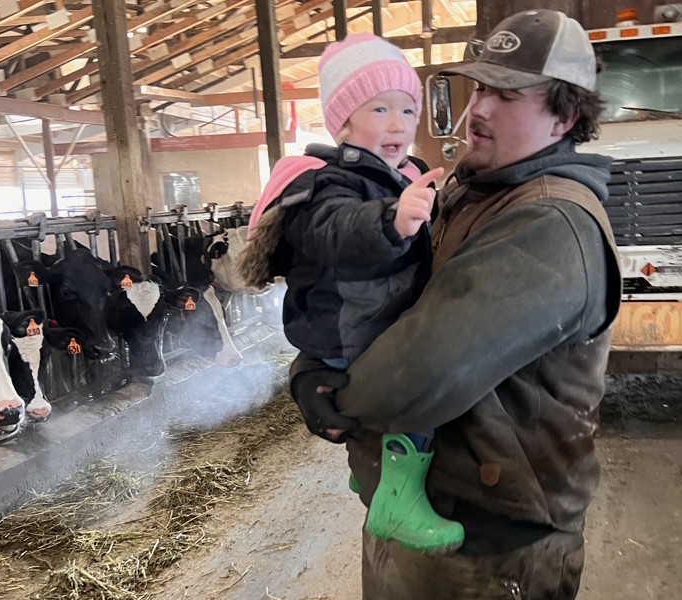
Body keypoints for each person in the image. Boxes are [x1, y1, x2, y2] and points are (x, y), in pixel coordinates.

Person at [290, 9, 623, 599]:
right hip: (434, 513)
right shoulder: (475, 189)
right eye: (481, 87)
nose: (479, 108)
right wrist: (314, 358)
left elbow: (423, 368)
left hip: (489, 550)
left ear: (565, 115)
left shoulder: (549, 221)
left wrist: (327, 390)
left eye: (508, 94)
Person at [238, 32, 464, 552]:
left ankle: (370, 473)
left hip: (371, 320)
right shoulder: (326, 183)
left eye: (408, 110)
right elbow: (337, 231)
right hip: (351, 330)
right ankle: (398, 500)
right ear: (343, 121)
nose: (397, 124)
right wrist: (391, 220)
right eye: (379, 108)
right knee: (430, 376)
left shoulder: (397, 174)